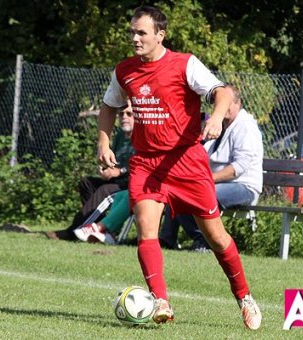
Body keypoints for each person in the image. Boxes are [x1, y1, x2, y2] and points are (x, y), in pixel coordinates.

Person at [96, 5, 261, 330]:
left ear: (160, 34)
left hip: (186, 162)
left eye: (141, 32)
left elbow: (223, 92)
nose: (135, 38)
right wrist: (103, 141)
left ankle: (243, 296)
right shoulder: (124, 70)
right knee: (146, 228)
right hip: (147, 163)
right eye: (132, 32)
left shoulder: (184, 64)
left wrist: (215, 117)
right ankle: (161, 300)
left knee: (215, 237)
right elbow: (108, 106)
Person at [159, 84, 264, 252]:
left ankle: (204, 240)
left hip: (244, 186)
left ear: (238, 104)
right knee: (177, 192)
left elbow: (240, 166)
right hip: (216, 182)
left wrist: (207, 180)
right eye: (220, 103)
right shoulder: (221, 125)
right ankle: (167, 239)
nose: (223, 107)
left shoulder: (245, 126)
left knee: (200, 194)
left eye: (228, 103)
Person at [44, 100, 134, 241]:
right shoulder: (120, 137)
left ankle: (74, 232)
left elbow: (142, 163)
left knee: (104, 191)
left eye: (129, 114)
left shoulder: (141, 137)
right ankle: (97, 227)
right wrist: (106, 168)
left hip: (131, 183)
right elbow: (114, 159)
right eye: (121, 114)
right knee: (87, 183)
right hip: (116, 179)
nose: (124, 117)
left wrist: (119, 171)